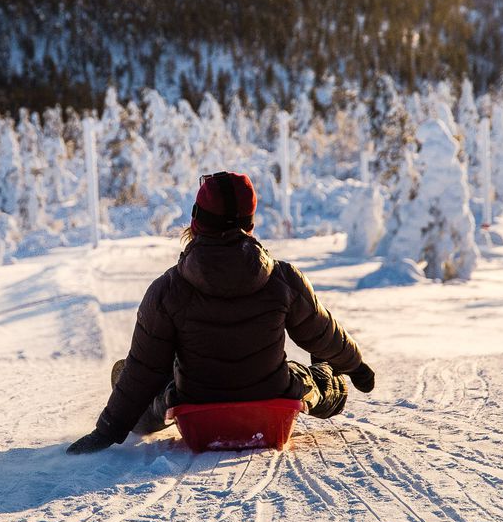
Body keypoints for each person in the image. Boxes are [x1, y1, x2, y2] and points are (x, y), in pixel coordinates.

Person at [68, 170, 375, 455]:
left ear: (196, 221)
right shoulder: (283, 278)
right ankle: (330, 375)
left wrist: (106, 430)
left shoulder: (167, 289)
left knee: (155, 391)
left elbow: (143, 370)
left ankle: (143, 414)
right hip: (272, 401)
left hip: (198, 408)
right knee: (321, 382)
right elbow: (324, 334)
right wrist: (356, 365)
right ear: (250, 222)